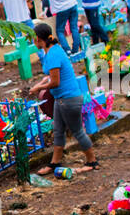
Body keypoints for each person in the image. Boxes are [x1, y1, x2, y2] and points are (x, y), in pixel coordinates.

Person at [31, 23, 97, 175]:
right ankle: (54, 164)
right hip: (60, 99)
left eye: (34, 39)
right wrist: (40, 83)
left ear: (39, 39)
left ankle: (93, 161)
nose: (33, 42)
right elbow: (50, 75)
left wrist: (38, 89)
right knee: (58, 131)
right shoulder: (52, 51)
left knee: (78, 131)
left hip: (69, 99)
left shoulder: (53, 53)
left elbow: (55, 82)